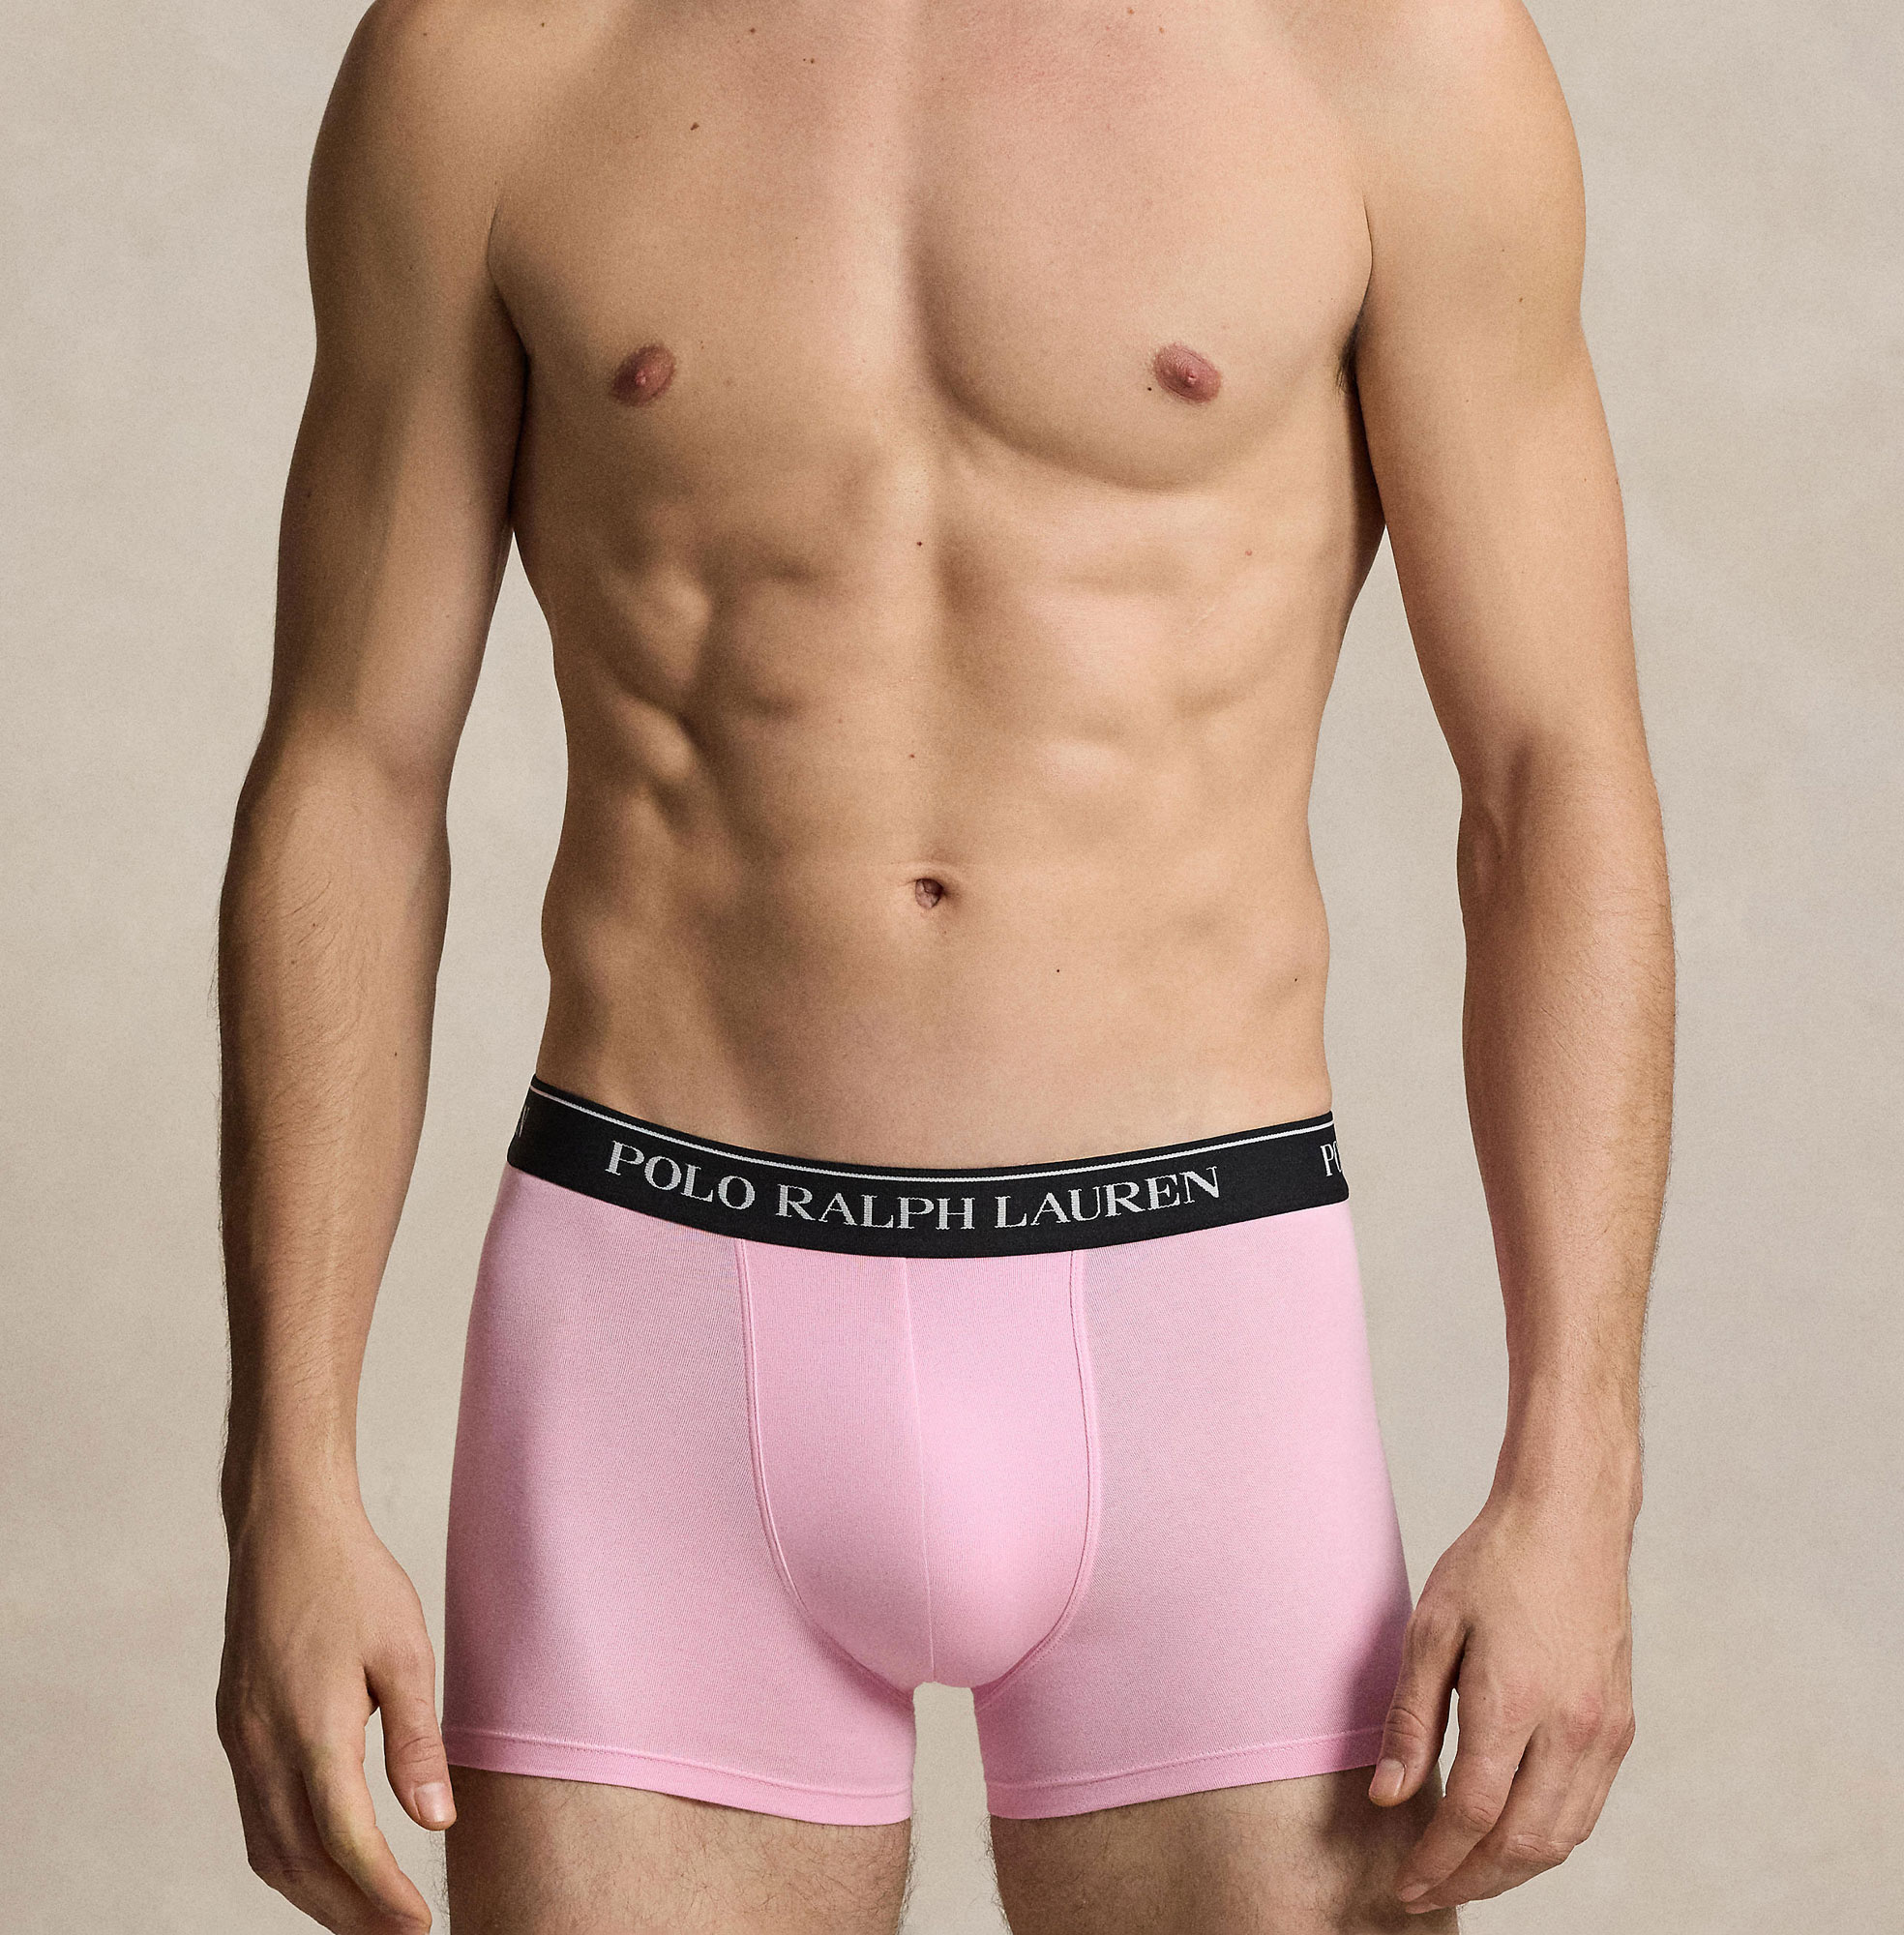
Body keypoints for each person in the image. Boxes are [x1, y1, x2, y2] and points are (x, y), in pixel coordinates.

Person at [213, 0, 1672, 1927]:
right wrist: (287, 1479)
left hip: (1196, 1321)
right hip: (654, 1318)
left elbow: (1552, 780)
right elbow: (352, 775)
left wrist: (1577, 1474)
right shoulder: (498, 56)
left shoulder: (1385, 56)